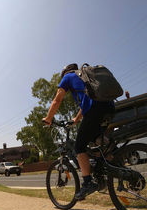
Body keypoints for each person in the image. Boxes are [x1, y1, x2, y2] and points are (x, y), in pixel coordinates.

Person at [42, 63, 115, 200]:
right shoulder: (85, 77)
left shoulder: (68, 77)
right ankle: (111, 164)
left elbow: (57, 100)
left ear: (64, 73)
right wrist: (76, 119)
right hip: (109, 108)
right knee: (96, 139)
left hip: (95, 111)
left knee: (79, 146)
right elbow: (87, 101)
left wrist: (49, 118)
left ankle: (88, 183)